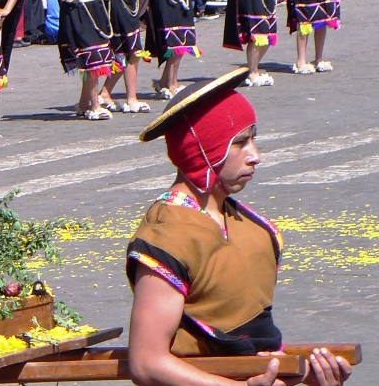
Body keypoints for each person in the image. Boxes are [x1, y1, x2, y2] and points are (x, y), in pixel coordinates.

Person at [127, 68, 353, 386]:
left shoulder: (256, 229)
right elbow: (147, 362)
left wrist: (305, 378)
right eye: (240, 143)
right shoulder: (167, 236)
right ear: (204, 149)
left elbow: (258, 351)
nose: (256, 156)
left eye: (253, 140)